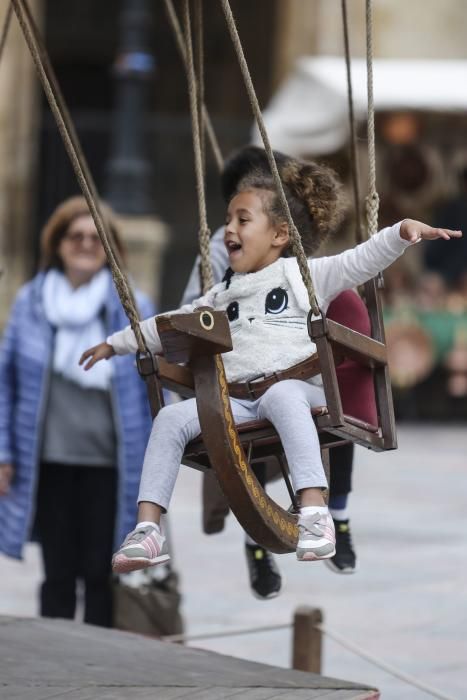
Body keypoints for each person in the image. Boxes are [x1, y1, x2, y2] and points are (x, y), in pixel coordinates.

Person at [80, 157, 461, 575]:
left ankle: (315, 512)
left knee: (281, 396)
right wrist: (114, 344)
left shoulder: (304, 275)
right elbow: (165, 326)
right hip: (241, 401)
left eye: (243, 220)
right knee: (171, 418)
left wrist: (400, 233)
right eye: (228, 220)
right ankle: (148, 529)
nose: (229, 229)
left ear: (280, 234)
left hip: (298, 391)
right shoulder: (220, 294)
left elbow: (359, 261)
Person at [180, 146, 358, 600]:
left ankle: (336, 512)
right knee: (249, 444)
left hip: (293, 358)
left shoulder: (293, 245)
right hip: (239, 367)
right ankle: (256, 542)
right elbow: (189, 312)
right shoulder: (223, 250)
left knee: (333, 394)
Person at [0, 196, 154, 627]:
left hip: (113, 466)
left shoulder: (134, 307)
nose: (85, 244)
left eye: (95, 237)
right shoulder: (30, 301)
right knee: (57, 574)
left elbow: (158, 389)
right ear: (58, 243)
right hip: (47, 463)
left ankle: (99, 675)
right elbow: (5, 383)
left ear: (110, 248)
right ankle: (56, 672)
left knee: (102, 573)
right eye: (76, 236)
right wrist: (3, 453)